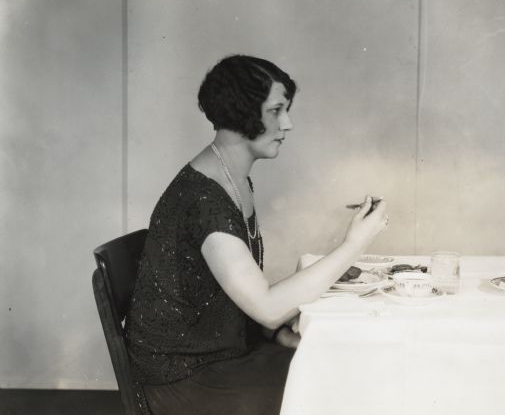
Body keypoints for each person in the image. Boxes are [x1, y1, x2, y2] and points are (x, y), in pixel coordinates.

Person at [124, 54, 388, 415]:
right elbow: (266, 307)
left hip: (222, 354)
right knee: (344, 386)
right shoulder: (204, 199)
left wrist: (277, 335)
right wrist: (354, 244)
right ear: (242, 113)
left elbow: (241, 298)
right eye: (277, 110)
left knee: (346, 370)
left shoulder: (229, 179)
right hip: (185, 379)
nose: (288, 123)